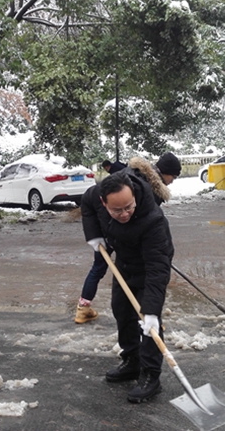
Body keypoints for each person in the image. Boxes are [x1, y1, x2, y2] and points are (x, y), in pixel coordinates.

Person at [80, 170, 174, 403]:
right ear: (105, 203)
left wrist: (151, 310)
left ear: (134, 197)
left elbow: (157, 269)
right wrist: (94, 235)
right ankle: (132, 360)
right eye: (116, 210)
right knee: (121, 310)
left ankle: (151, 375)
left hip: (149, 265)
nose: (124, 214)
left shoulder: (153, 220)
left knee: (148, 323)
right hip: (124, 261)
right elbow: (87, 203)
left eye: (129, 207)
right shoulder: (97, 196)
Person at [74, 152, 180, 324]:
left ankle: (83, 308)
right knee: (133, 272)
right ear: (165, 172)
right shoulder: (147, 188)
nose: (172, 181)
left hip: (116, 231)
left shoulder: (141, 178)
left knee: (100, 267)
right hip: (110, 232)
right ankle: (144, 318)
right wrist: (95, 235)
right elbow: (89, 198)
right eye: (173, 177)